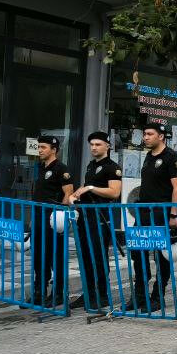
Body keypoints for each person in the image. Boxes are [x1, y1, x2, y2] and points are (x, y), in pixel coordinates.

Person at [126, 122, 177, 313]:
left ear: (161, 136)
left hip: (161, 213)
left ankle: (157, 296)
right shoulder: (148, 157)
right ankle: (139, 296)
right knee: (139, 255)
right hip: (143, 213)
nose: (145, 137)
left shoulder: (172, 158)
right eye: (144, 133)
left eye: (150, 134)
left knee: (161, 257)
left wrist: (173, 215)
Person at [68, 131, 122, 312]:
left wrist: (91, 187)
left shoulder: (112, 167)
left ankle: (102, 295)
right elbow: (86, 190)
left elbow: (114, 192)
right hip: (85, 216)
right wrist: (76, 195)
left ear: (108, 145)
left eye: (98, 144)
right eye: (91, 145)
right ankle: (88, 293)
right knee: (85, 256)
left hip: (101, 218)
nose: (94, 147)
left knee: (98, 257)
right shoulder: (91, 166)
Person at [30, 135, 74, 308]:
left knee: (56, 257)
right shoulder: (40, 167)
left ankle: (58, 294)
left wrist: (59, 218)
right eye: (39, 147)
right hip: (39, 217)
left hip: (53, 221)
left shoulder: (61, 169)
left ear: (54, 149)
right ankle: (39, 292)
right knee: (39, 256)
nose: (39, 150)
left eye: (43, 147)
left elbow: (68, 193)